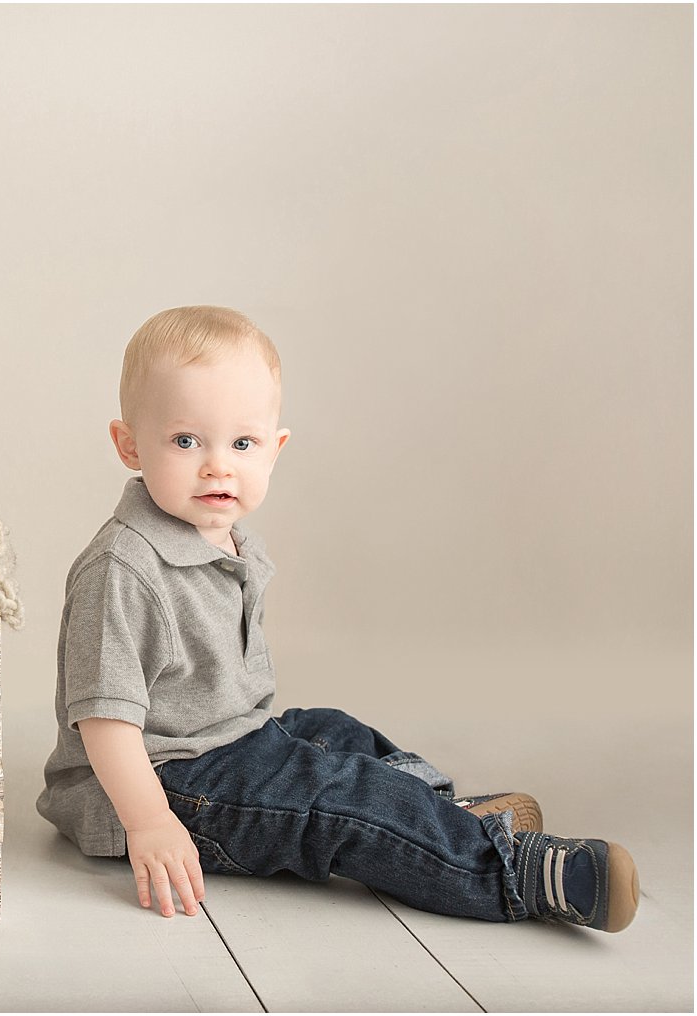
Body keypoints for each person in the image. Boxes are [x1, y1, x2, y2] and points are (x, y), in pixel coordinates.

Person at [36, 305, 639, 933]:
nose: (218, 464)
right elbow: (104, 718)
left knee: (335, 731)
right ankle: (512, 871)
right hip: (159, 781)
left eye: (242, 443)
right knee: (334, 799)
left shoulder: (226, 538)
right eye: (186, 441)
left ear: (275, 448)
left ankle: (434, 817)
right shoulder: (123, 567)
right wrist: (150, 822)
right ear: (129, 444)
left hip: (228, 743)